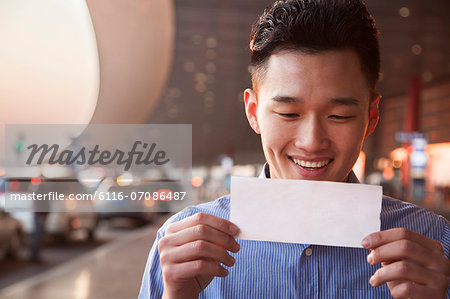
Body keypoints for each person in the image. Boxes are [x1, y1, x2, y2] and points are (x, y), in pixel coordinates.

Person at [139, 0, 450, 298]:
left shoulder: (433, 244)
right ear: (253, 112)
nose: (312, 141)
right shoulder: (180, 247)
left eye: (338, 116)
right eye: (288, 114)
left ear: (371, 117)